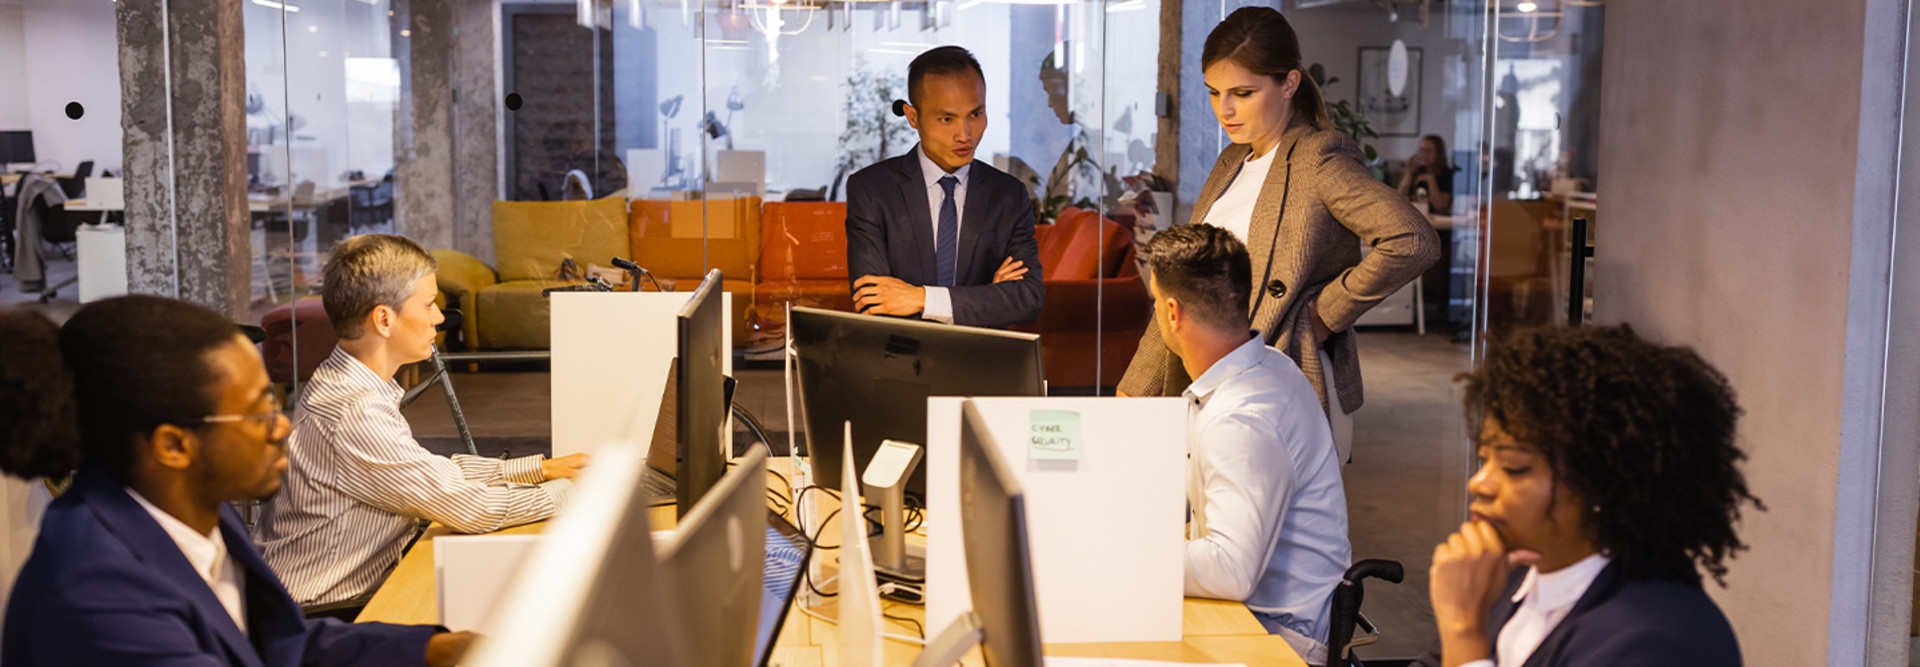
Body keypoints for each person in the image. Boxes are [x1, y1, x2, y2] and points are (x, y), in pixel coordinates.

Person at [0, 296, 472, 666]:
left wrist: (435, 651)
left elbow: (270, 645)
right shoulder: (97, 595)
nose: (282, 426)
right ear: (174, 446)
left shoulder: (194, 506)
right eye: (257, 413)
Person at [1118, 7, 1440, 464]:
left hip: (1282, 380)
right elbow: (1180, 285)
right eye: (1214, 92)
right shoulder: (1230, 163)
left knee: (1266, 532)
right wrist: (1135, 388)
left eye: (1243, 93)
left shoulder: (1318, 158)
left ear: (1289, 83)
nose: (1224, 109)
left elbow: (1413, 240)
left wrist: (1323, 313)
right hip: (1209, 381)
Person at [256, 234, 590, 613]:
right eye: (430, 304)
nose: (438, 318)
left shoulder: (349, 383)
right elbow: (472, 509)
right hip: (323, 614)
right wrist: (582, 494)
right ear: (384, 319)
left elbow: (430, 471)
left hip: (339, 597)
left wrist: (541, 468)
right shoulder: (354, 412)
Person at [1421, 325, 1756, 667]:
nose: (1479, 483)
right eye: (1484, 458)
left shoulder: (1658, 641)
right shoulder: (1510, 577)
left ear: (1600, 483)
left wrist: (1463, 632)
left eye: (1514, 467)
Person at [1146, 224, 1350, 665]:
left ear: (1173, 313)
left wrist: (1120, 551)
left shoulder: (1241, 418)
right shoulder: (1266, 365)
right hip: (1259, 613)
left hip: (1277, 637)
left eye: (1154, 304)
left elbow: (1230, 569)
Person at [846, 45, 1045, 328]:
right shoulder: (871, 191)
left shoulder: (1008, 195)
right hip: (901, 364)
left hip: (981, 363)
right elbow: (874, 304)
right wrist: (988, 296)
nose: (965, 135)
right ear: (913, 117)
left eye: (975, 114)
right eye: (947, 119)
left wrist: (920, 298)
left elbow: (1027, 299)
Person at [1398, 134, 1456, 215]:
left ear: (1438, 153)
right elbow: (1398, 200)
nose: (1424, 154)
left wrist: (1430, 179)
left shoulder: (1447, 174)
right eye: (1422, 150)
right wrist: (1409, 172)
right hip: (1414, 217)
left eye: (1429, 151)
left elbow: (1439, 206)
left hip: (1437, 221)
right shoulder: (1416, 171)